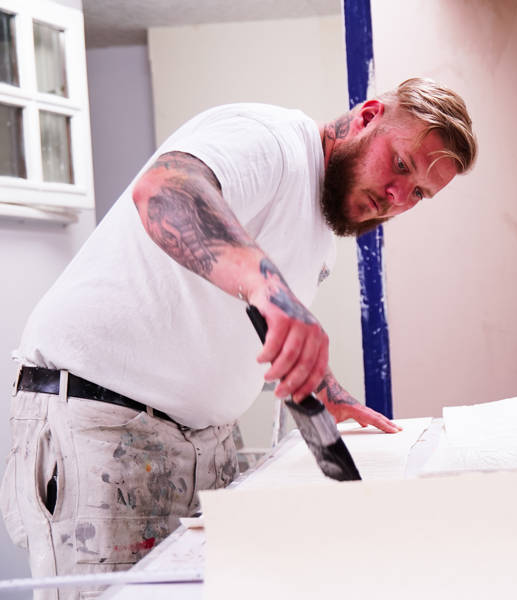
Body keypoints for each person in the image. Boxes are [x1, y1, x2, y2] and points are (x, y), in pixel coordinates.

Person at [0, 77, 476, 597]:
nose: (396, 197)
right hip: (103, 424)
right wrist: (271, 288)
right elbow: (164, 191)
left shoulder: (321, 236)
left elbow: (244, 315)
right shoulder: (268, 140)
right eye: (401, 164)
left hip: (205, 440)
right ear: (367, 118)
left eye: (418, 195)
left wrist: (322, 382)